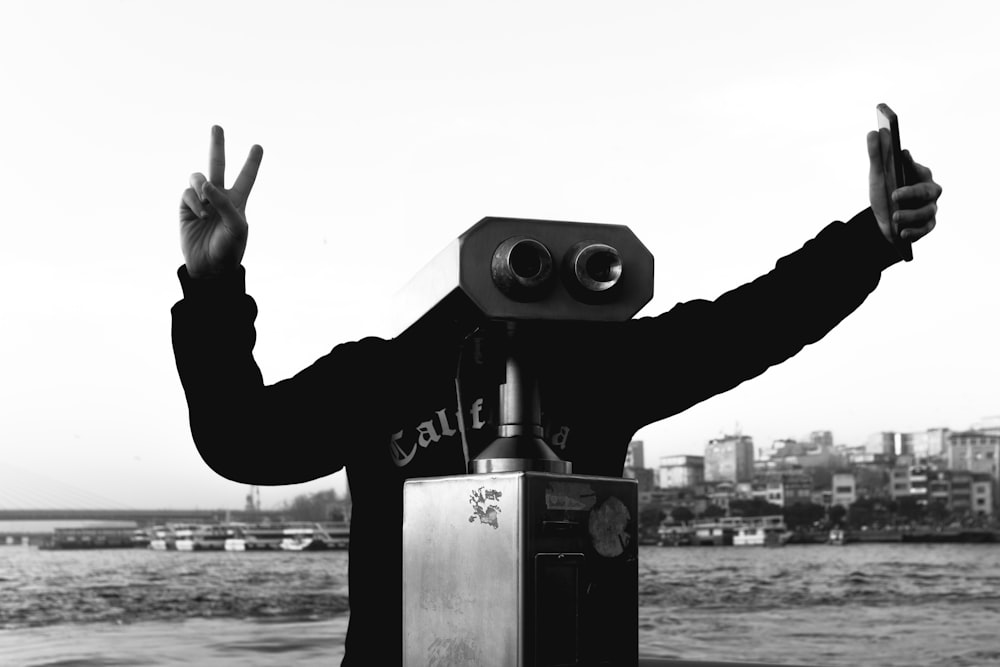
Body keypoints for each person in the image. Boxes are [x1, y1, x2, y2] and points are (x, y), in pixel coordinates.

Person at [172, 124, 941, 665]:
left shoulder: (595, 370)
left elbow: (748, 324)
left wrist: (868, 240)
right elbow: (241, 438)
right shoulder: (381, 377)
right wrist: (211, 285)